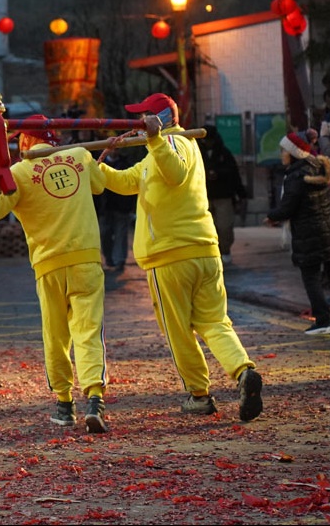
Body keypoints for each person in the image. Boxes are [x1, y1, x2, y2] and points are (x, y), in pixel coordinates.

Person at [98, 93, 263, 421]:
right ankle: (243, 371)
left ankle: (199, 395)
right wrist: (99, 162)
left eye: (142, 116)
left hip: (170, 256)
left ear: (155, 119)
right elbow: (123, 181)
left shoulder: (173, 144)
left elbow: (173, 171)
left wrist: (156, 138)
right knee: (214, 322)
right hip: (202, 250)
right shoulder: (157, 154)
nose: (137, 123)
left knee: (178, 330)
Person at [0, 119, 110, 434]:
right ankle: (94, 397)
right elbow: (99, 185)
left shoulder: (19, 173)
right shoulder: (80, 156)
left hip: (48, 265)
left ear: (25, 141)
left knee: (56, 336)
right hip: (85, 260)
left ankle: (64, 405)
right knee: (88, 331)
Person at [263, 131, 330, 335]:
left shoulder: (296, 176)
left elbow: (287, 207)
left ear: (293, 153)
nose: (281, 153)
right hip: (325, 229)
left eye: (284, 150)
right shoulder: (317, 167)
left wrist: (271, 216)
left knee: (310, 277)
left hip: (307, 234)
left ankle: (323, 320)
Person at [198, 125, 248, 263]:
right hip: (203, 197)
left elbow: (234, 174)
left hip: (223, 196)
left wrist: (241, 194)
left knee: (224, 227)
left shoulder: (224, 153)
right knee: (206, 228)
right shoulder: (197, 152)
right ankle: (210, 254)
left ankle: (225, 250)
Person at [95, 147, 137, 275]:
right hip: (104, 206)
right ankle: (109, 258)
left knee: (121, 233)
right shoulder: (99, 165)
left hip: (121, 206)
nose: (113, 151)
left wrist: (129, 206)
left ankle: (119, 260)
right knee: (105, 233)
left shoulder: (125, 164)